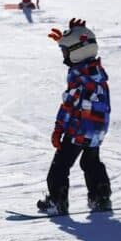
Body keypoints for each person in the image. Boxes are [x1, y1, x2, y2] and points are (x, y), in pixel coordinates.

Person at [38, 18, 112, 215]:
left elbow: (69, 105)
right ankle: (101, 197)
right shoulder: (96, 71)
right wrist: (71, 40)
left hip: (78, 129)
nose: (63, 57)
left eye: (65, 52)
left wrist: (58, 129)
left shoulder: (77, 74)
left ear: (77, 52)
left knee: (60, 166)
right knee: (90, 162)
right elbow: (82, 45)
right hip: (97, 128)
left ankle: (57, 201)